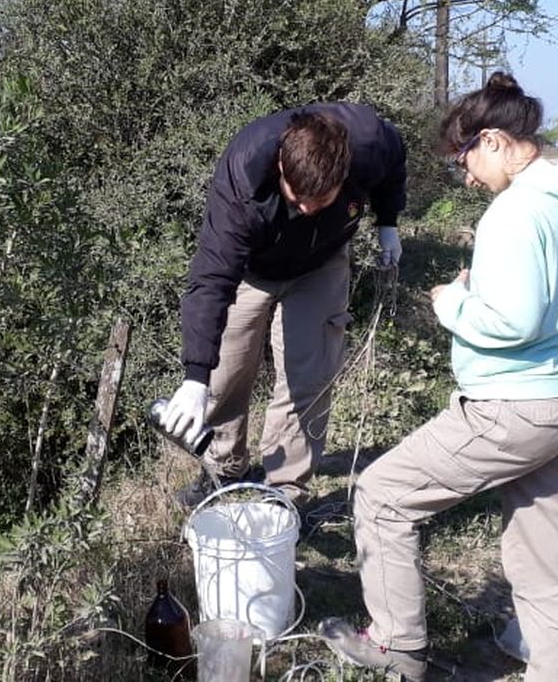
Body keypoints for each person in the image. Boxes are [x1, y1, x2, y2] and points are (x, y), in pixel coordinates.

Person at [319, 73, 558, 682]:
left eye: (463, 159)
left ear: (493, 140)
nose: (465, 176)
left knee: (382, 496)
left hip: (512, 408)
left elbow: (511, 322)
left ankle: (395, 645)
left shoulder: (513, 213)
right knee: (547, 554)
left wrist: (452, 302)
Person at [159, 103, 407, 509]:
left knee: (307, 377)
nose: (307, 209)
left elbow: (394, 159)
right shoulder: (242, 175)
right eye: (298, 197)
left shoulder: (368, 141)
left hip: (322, 263)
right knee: (226, 372)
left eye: (321, 200)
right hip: (253, 269)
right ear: (279, 164)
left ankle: (284, 493)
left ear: (344, 174)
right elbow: (211, 278)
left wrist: (388, 223)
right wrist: (195, 377)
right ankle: (224, 470)